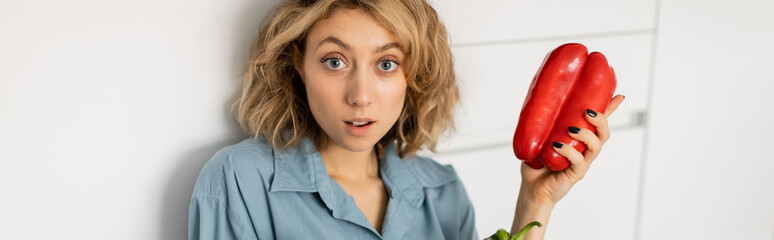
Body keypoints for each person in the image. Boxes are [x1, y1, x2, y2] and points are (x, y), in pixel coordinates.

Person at [188, 0, 625, 239]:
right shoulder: (240, 181)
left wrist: (536, 203)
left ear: (412, 74)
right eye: (335, 61)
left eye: (386, 64)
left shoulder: (443, 192)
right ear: (297, 63)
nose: (360, 97)